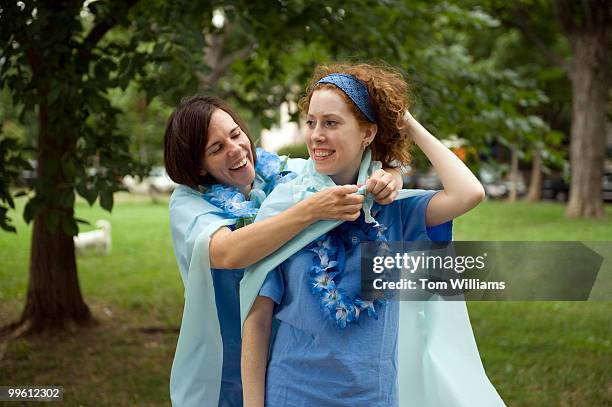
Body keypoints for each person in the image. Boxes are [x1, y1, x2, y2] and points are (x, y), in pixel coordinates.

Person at [241, 64, 504, 406]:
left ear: (367, 133)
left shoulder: (392, 209)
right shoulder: (286, 207)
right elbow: (257, 318)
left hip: (371, 396)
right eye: (311, 122)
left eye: (331, 123)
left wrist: (403, 120)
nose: (316, 135)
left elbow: (469, 193)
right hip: (292, 392)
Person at [163, 95, 404, 407]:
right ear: (197, 166)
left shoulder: (284, 174)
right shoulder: (187, 202)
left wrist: (391, 175)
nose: (236, 150)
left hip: (292, 358)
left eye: (235, 134)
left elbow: (354, 168)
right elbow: (229, 252)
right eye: (216, 148)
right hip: (226, 351)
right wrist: (310, 210)